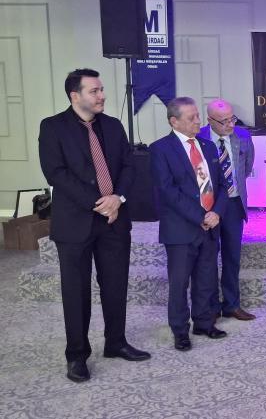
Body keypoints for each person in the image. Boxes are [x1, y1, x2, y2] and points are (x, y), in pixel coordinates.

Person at [38, 68, 150, 383]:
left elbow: (128, 166)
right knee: (76, 292)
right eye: (94, 91)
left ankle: (116, 342)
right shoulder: (52, 127)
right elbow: (56, 173)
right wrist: (99, 203)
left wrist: (118, 198)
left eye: (101, 90)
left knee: (115, 284)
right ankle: (76, 355)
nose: (102, 95)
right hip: (75, 224)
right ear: (75, 96)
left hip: (115, 221)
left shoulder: (113, 126)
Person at [150, 97, 229, 351]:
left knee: (206, 277)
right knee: (179, 282)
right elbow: (168, 191)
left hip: (210, 225)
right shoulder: (160, 149)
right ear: (174, 121)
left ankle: (204, 322)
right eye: (191, 117)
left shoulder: (208, 146)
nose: (198, 121)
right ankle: (180, 330)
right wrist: (201, 216)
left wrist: (216, 213)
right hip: (181, 228)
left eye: (197, 115)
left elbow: (222, 186)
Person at [198, 99, 256, 321]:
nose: (230, 125)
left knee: (232, 257)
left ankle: (232, 304)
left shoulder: (243, 136)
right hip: (208, 206)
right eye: (224, 121)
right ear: (210, 120)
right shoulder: (200, 137)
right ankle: (212, 307)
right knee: (209, 257)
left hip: (233, 204)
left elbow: (246, 167)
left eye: (232, 119)